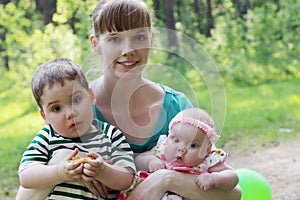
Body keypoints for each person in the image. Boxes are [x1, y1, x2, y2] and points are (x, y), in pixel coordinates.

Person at [89, 0, 241, 199]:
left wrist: (165, 179)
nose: (128, 50)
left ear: (151, 39)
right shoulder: (74, 108)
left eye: (139, 37)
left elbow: (232, 195)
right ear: (95, 43)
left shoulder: (177, 108)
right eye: (115, 39)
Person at [16, 58, 135, 199]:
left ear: (91, 96)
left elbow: (127, 179)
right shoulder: (48, 137)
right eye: (56, 108)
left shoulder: (110, 135)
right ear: (44, 116)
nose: (70, 113)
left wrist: (103, 171)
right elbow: (26, 176)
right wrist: (58, 172)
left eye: (76, 100)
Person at [119, 107, 239, 199]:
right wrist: (150, 160)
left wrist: (214, 179)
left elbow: (232, 177)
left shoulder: (209, 160)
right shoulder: (162, 149)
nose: (181, 149)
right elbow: (137, 160)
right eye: (176, 140)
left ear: (207, 149)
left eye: (193, 145)